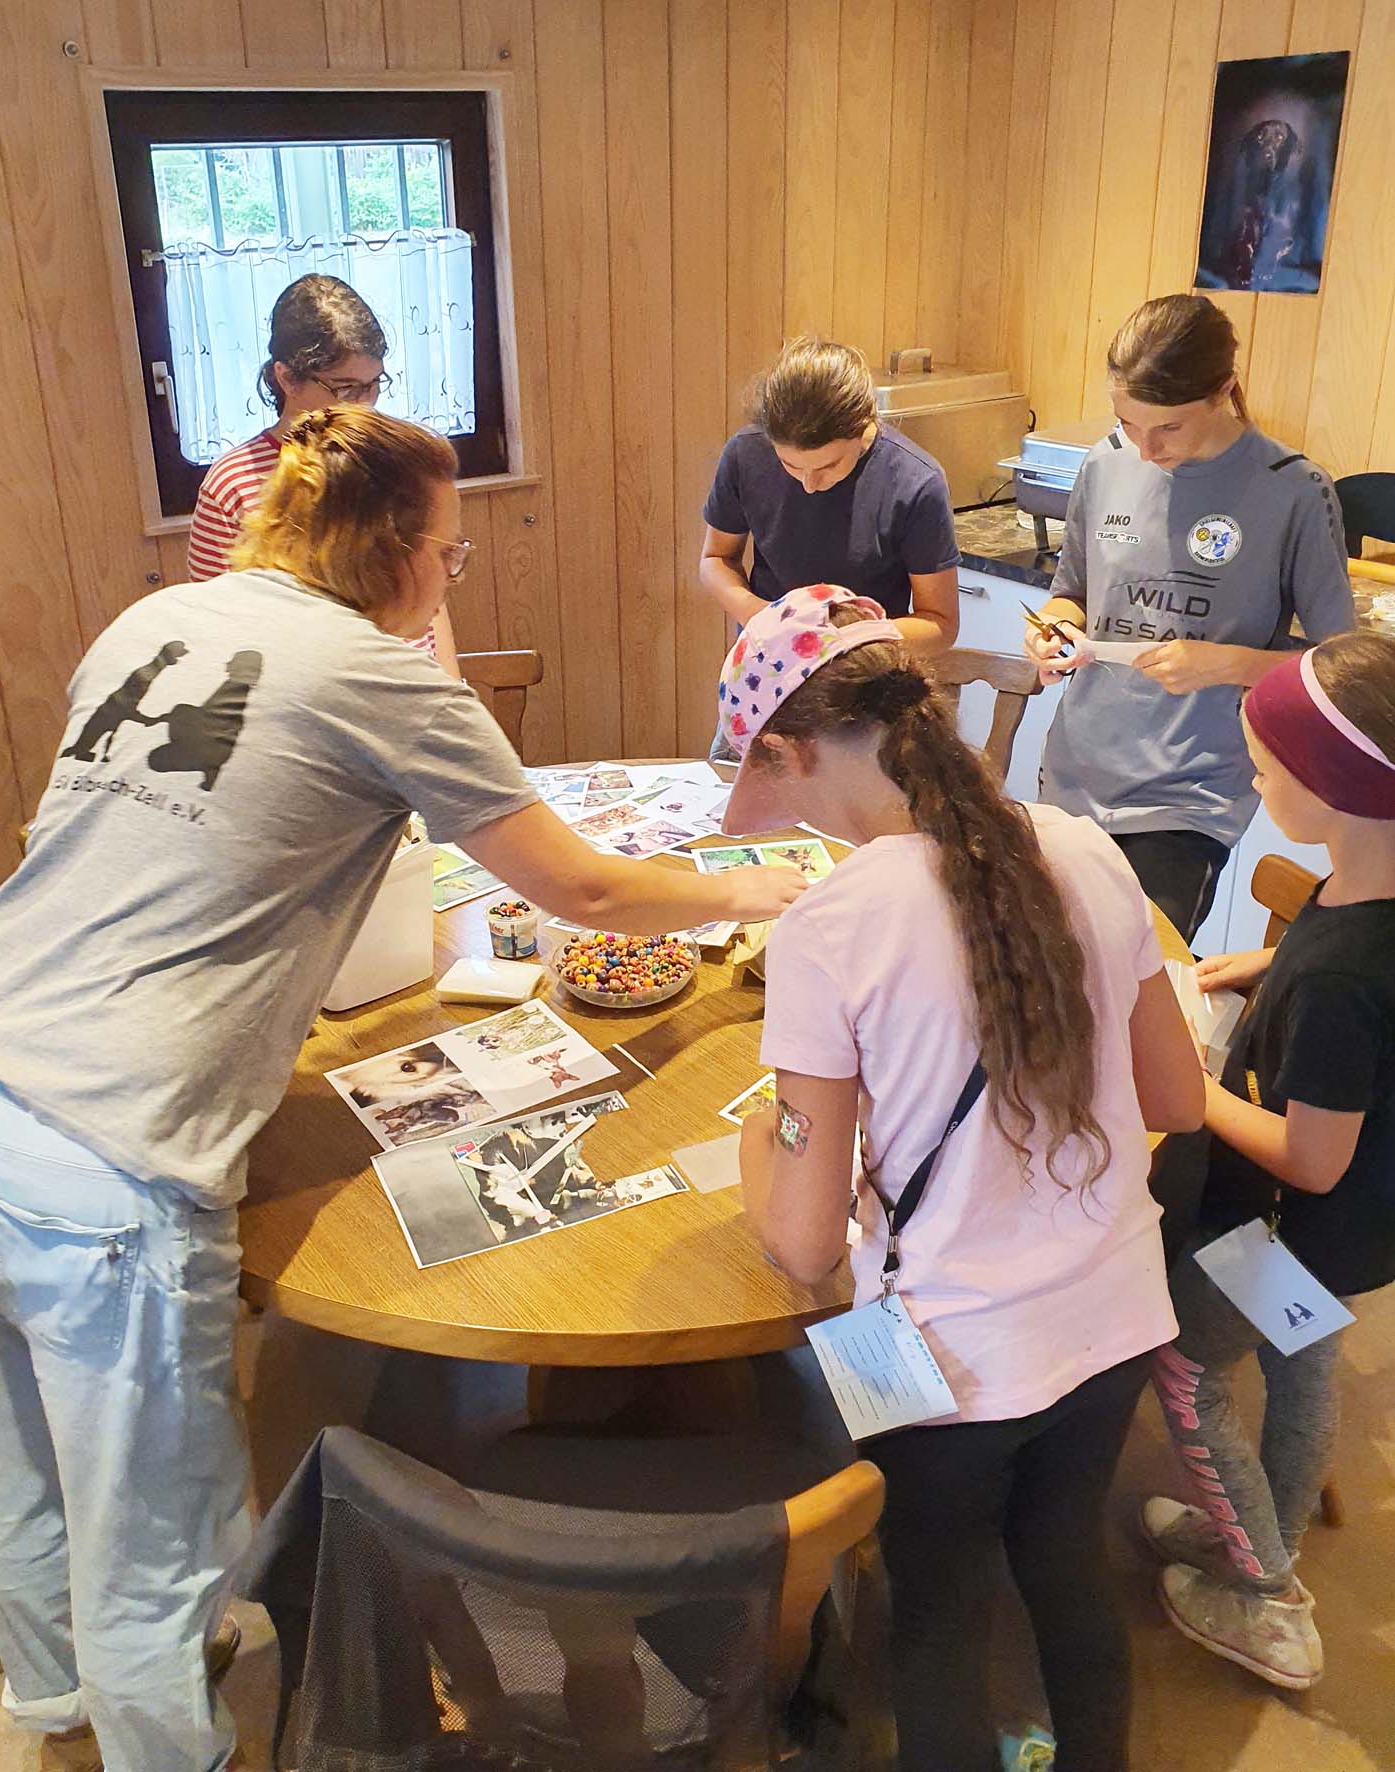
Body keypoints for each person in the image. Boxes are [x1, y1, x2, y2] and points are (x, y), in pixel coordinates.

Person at [0, 406, 803, 1772]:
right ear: (390, 550)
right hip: (110, 1149)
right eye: (449, 551)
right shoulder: (379, 673)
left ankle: (51, 1704)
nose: (448, 575)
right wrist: (743, 890)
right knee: (154, 1542)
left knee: (15, 1450)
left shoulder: (148, 622)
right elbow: (584, 887)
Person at [727, 585, 1205, 1772]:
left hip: (938, 1355)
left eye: (768, 775)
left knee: (935, 1607)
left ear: (791, 749)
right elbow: (1176, 1100)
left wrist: (760, 1145)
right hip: (1114, 1313)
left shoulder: (827, 926)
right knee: (1064, 1564)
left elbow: (803, 1243)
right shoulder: (1084, 846)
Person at [1145, 631, 1395, 1691]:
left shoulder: (1342, 979)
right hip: (1354, 1237)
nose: (1252, 783)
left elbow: (1309, 1158)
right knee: (1302, 1370)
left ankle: (1268, 1596)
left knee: (1182, 1367)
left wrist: (1190, 1091)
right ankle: (1263, 1538)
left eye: (1261, 768)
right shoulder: (1364, 887)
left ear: (1333, 782)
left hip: (1291, 1233)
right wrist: (1265, 961)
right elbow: (1334, 961)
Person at [1023, 294, 1353, 943]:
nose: (1146, 450)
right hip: (1076, 772)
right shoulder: (1105, 462)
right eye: (1128, 422)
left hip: (1189, 797)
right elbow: (1072, 592)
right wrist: (1051, 629)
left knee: (1131, 978)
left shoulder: (1292, 489)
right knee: (1040, 973)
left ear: (1223, 392)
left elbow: (1339, 666)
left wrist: (1228, 664)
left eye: (1168, 428)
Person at [186, 274, 449, 665]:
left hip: (409, 674)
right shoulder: (232, 484)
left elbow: (430, 589)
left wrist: (450, 685)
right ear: (287, 378)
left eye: (374, 383)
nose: (365, 404)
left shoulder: (396, 458)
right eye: (345, 388)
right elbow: (216, 627)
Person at [701, 335, 960, 646]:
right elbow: (716, 557)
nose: (808, 485)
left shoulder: (915, 483)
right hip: (770, 650)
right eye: (790, 465)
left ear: (863, 425)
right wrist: (759, 616)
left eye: (829, 466)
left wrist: (838, 640)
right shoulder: (746, 453)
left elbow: (940, 624)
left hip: (871, 660)